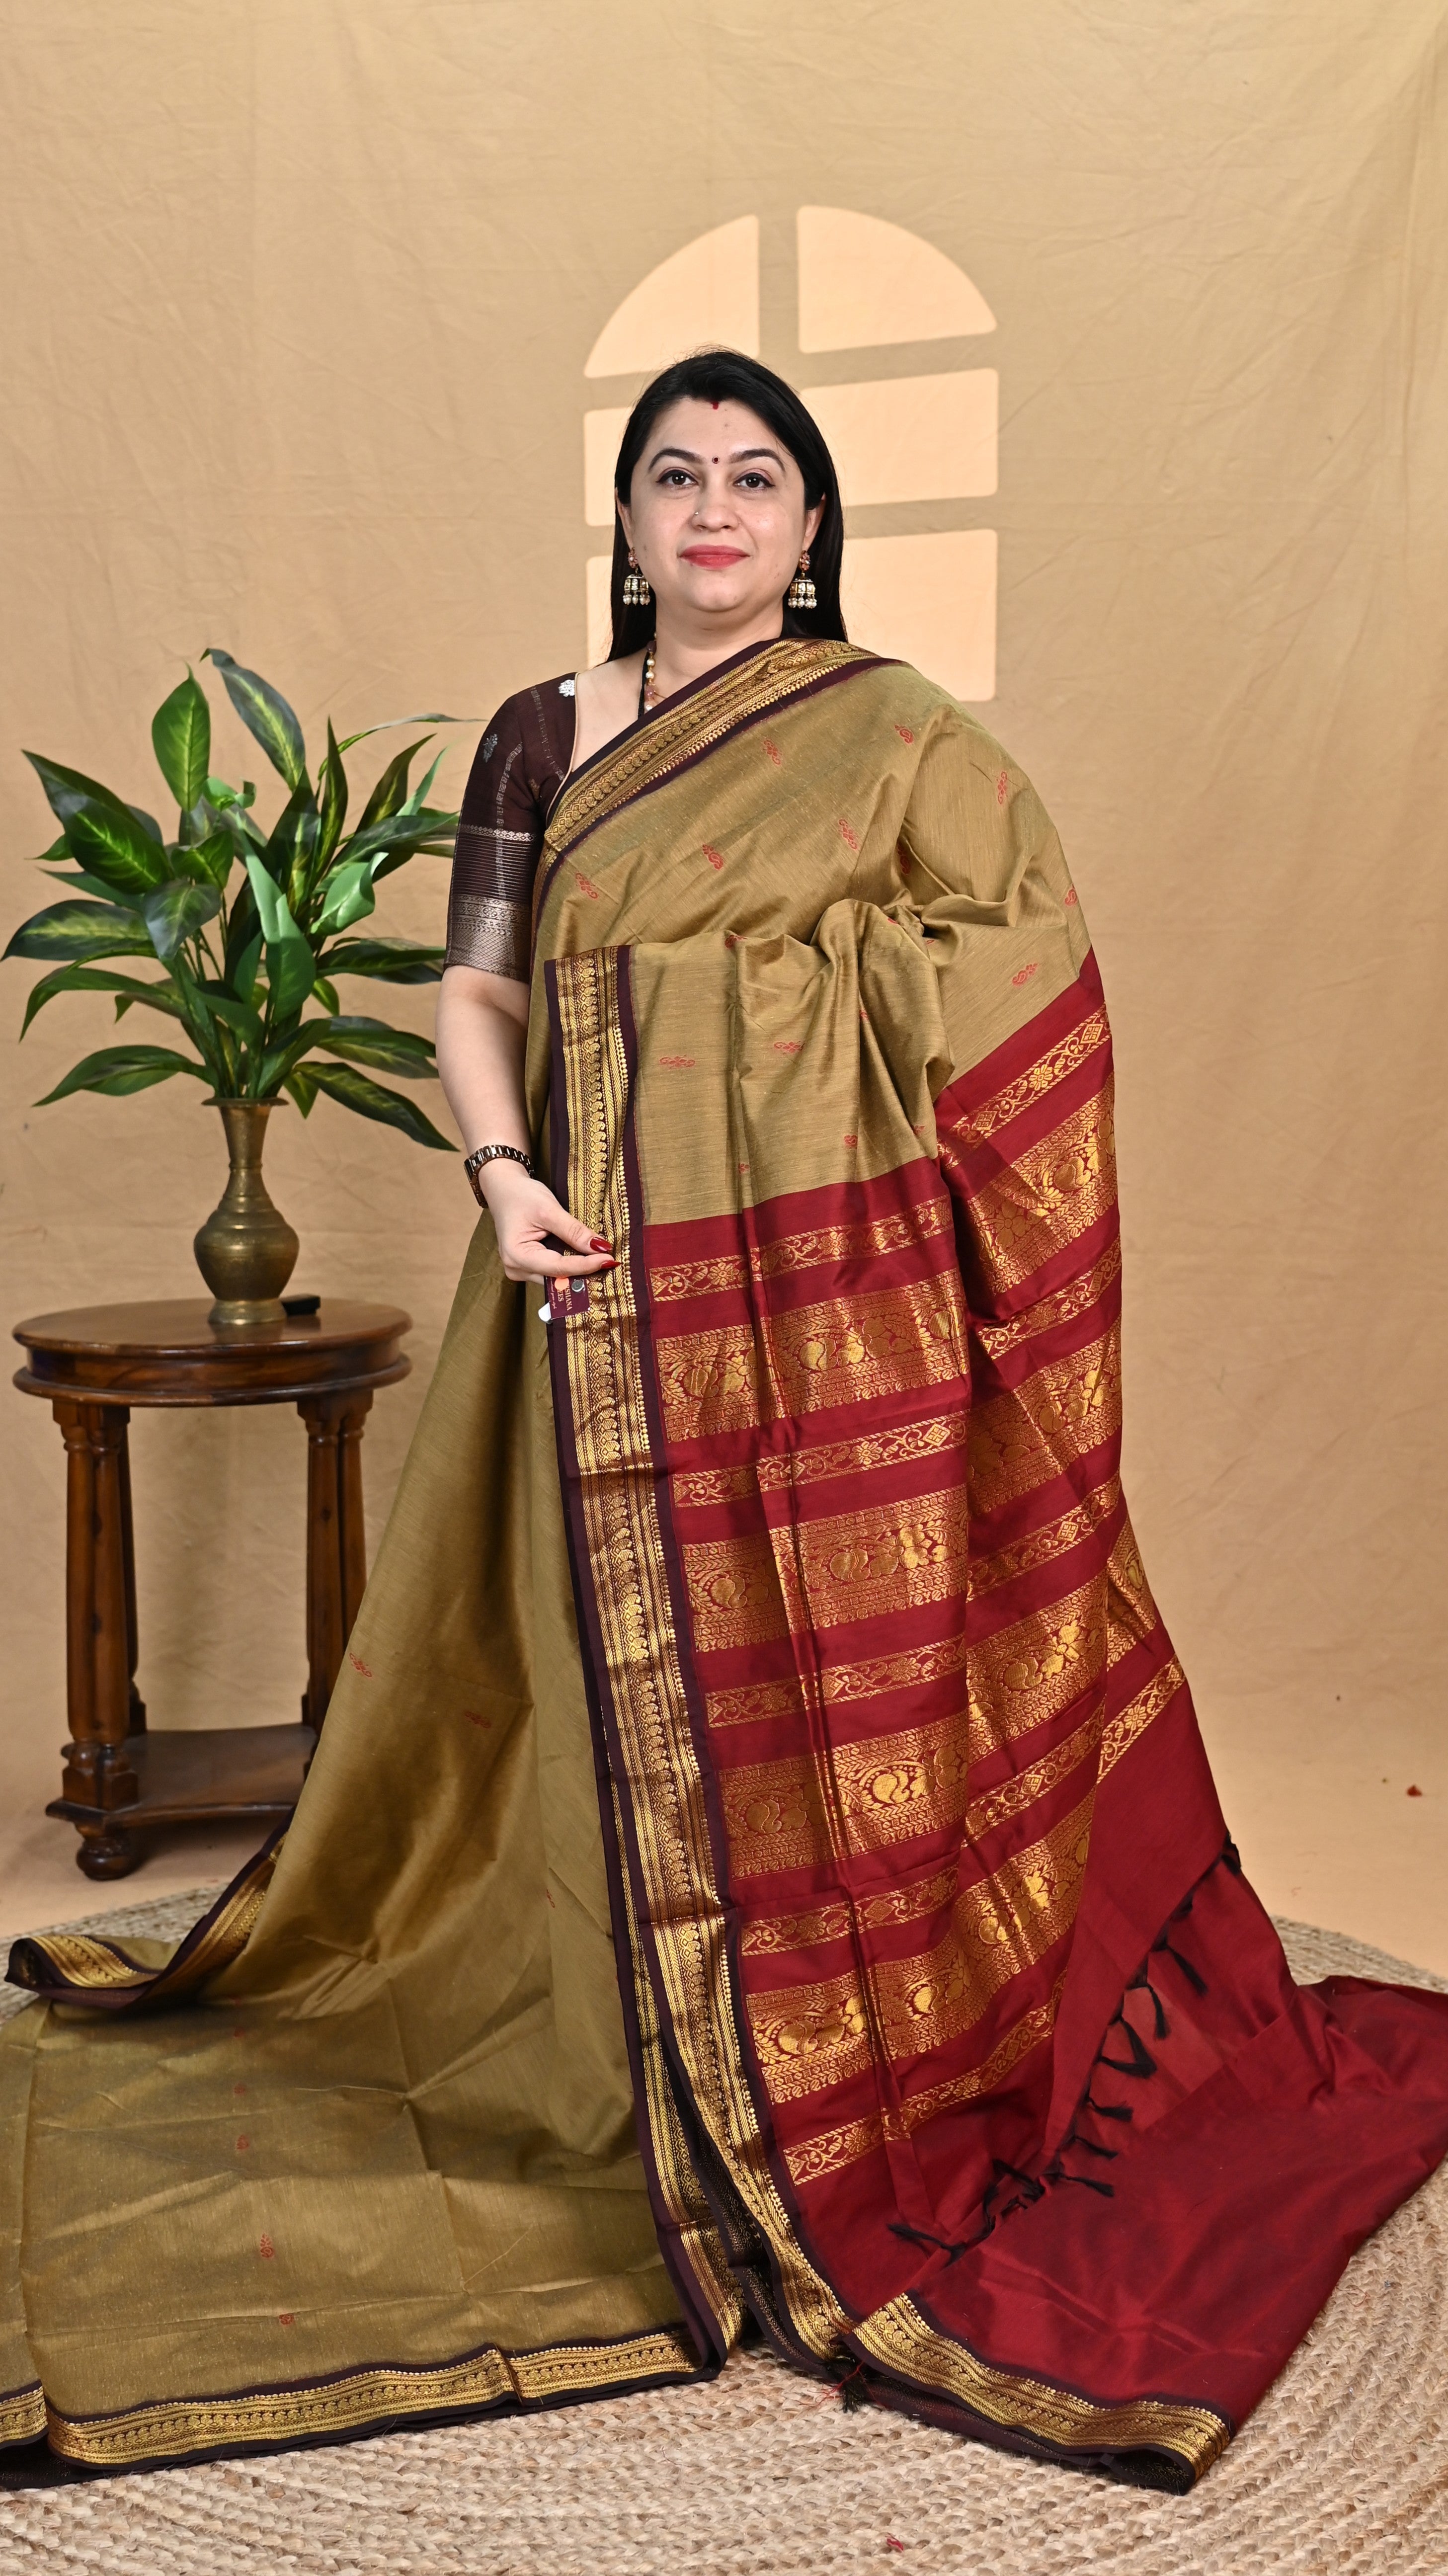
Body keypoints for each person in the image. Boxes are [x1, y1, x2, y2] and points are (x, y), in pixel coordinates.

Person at [4, 352, 1447, 2490]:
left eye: (755, 478)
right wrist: (502, 1172)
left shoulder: (894, 737)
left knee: (828, 1682)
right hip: (589, 1291)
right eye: (673, 475)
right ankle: (631, 2051)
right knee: (564, 1695)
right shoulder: (543, 732)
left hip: (838, 1316)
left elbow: (1027, 977)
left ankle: (839, 2055)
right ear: (626, 519)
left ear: (809, 525)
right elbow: (481, 991)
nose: (711, 509)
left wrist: (782, 1024)